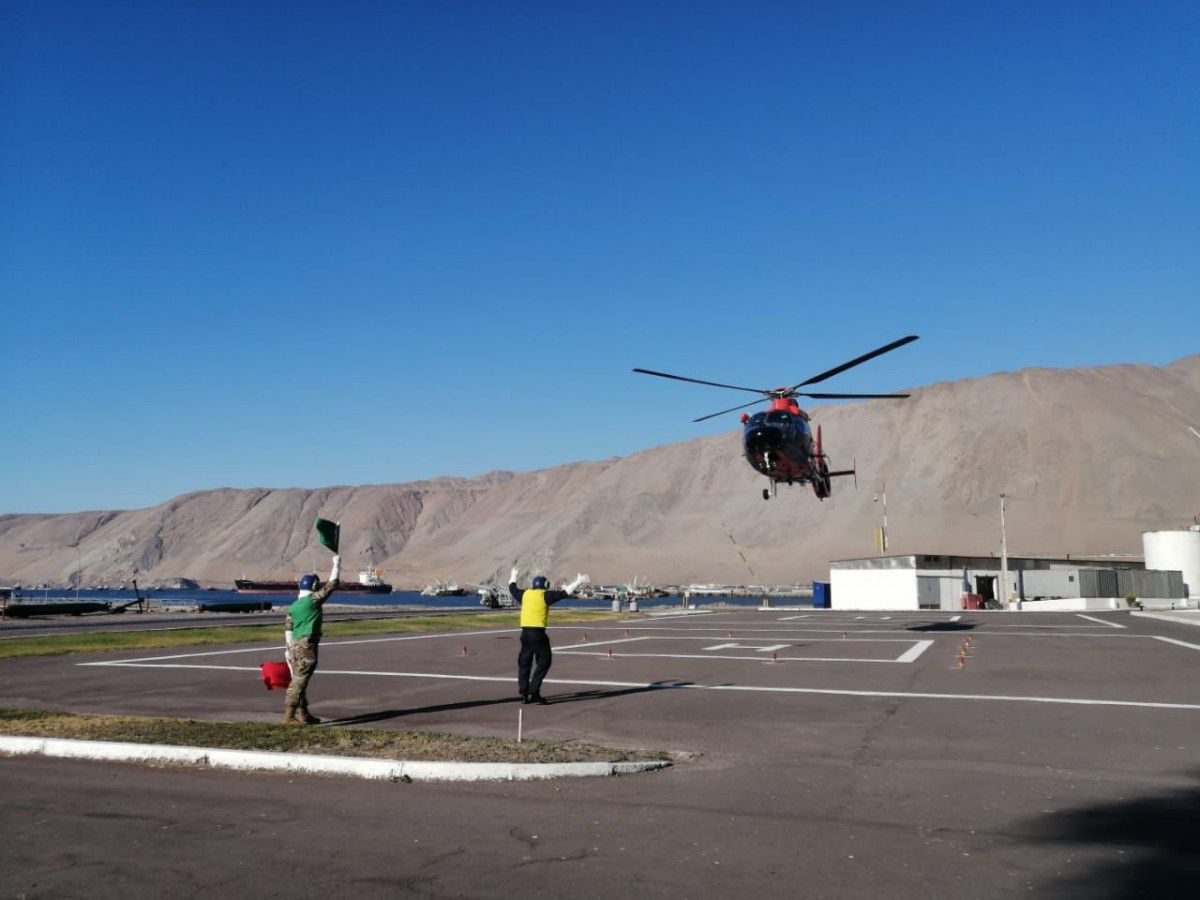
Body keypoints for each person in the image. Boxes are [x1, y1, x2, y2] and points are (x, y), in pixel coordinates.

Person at [509, 567, 587, 704]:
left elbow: (512, 588)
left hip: (525, 633)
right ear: (545, 586)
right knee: (545, 660)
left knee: (524, 662)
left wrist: (513, 575)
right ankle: (534, 691)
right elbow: (564, 593)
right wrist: (578, 582)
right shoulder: (544, 596)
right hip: (538, 632)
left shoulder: (525, 594)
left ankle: (524, 693)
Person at [283, 554, 341, 724]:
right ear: (314, 586)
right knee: (300, 681)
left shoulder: (293, 606)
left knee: (300, 679)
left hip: (294, 645)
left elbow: (288, 628)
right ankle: (288, 716)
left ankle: (304, 714)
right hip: (307, 645)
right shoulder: (312, 601)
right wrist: (336, 564)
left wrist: (287, 650)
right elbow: (332, 584)